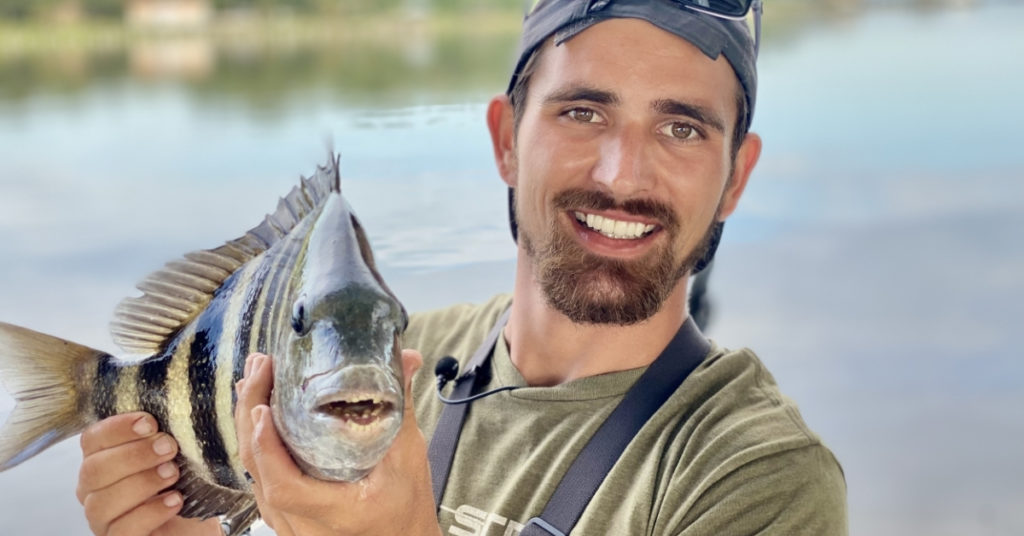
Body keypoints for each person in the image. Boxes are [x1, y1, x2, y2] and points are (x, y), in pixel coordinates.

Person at [74, 1, 848, 534]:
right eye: (583, 112)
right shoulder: (385, 369)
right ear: (506, 140)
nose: (621, 174)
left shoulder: (758, 478)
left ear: (736, 177)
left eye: (682, 128)